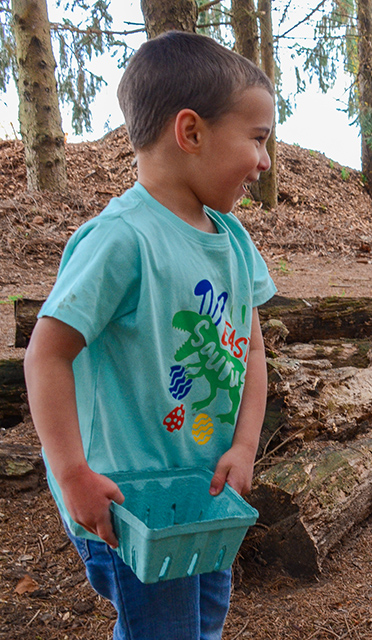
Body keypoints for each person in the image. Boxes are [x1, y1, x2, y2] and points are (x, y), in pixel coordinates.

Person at [23, 31, 277, 640]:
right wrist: (72, 474)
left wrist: (244, 447)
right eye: (258, 139)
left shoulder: (234, 240)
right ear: (190, 132)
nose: (265, 162)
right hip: (127, 505)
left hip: (202, 494)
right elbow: (46, 355)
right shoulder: (121, 239)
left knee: (205, 618)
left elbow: (254, 350)